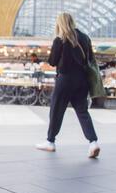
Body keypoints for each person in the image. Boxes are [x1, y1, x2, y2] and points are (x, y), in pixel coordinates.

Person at [36, 13, 100, 159]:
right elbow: (90, 59)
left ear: (60, 24)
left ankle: (50, 142)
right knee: (83, 112)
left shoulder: (60, 39)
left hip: (64, 80)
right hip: (82, 81)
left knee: (56, 111)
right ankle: (93, 142)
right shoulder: (84, 38)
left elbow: (52, 61)